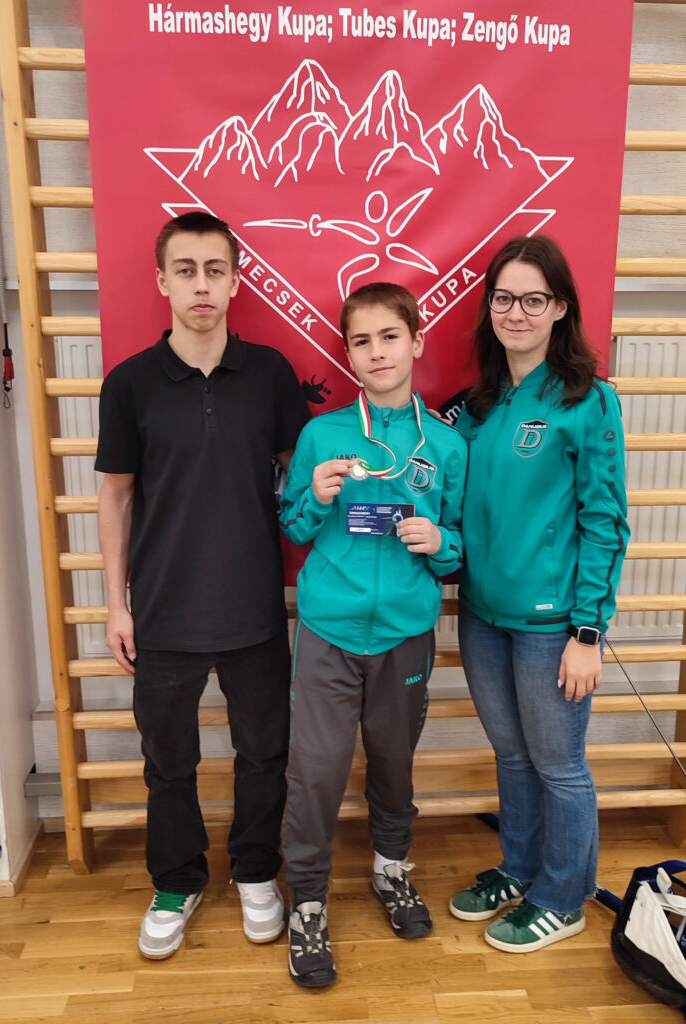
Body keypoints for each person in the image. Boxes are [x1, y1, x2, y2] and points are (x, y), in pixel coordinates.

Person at [95, 211, 310, 959]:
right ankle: (177, 880)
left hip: (255, 608)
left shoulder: (271, 374)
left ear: (236, 280)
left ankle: (255, 872)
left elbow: (299, 485)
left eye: (215, 270)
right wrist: (116, 605)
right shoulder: (129, 384)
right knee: (168, 764)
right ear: (161, 281)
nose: (201, 285)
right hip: (163, 611)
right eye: (185, 270)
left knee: (265, 754)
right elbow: (115, 497)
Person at [279, 282, 468, 988]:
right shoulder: (322, 434)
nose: (377, 352)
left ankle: (391, 869)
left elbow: (459, 549)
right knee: (317, 770)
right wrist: (315, 495)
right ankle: (306, 900)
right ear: (348, 353)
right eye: (361, 341)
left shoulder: (445, 444)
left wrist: (439, 541)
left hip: (405, 634)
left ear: (416, 341)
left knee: (393, 762)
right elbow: (293, 526)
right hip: (328, 631)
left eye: (390, 336)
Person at [448, 235, 630, 953]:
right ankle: (519, 867)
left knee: (558, 765)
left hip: (552, 626)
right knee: (512, 755)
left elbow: (605, 522)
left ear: (559, 308)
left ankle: (563, 896)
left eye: (533, 299)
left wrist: (587, 633)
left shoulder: (588, 400)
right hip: (481, 616)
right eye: (503, 298)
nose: (515, 312)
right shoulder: (476, 406)